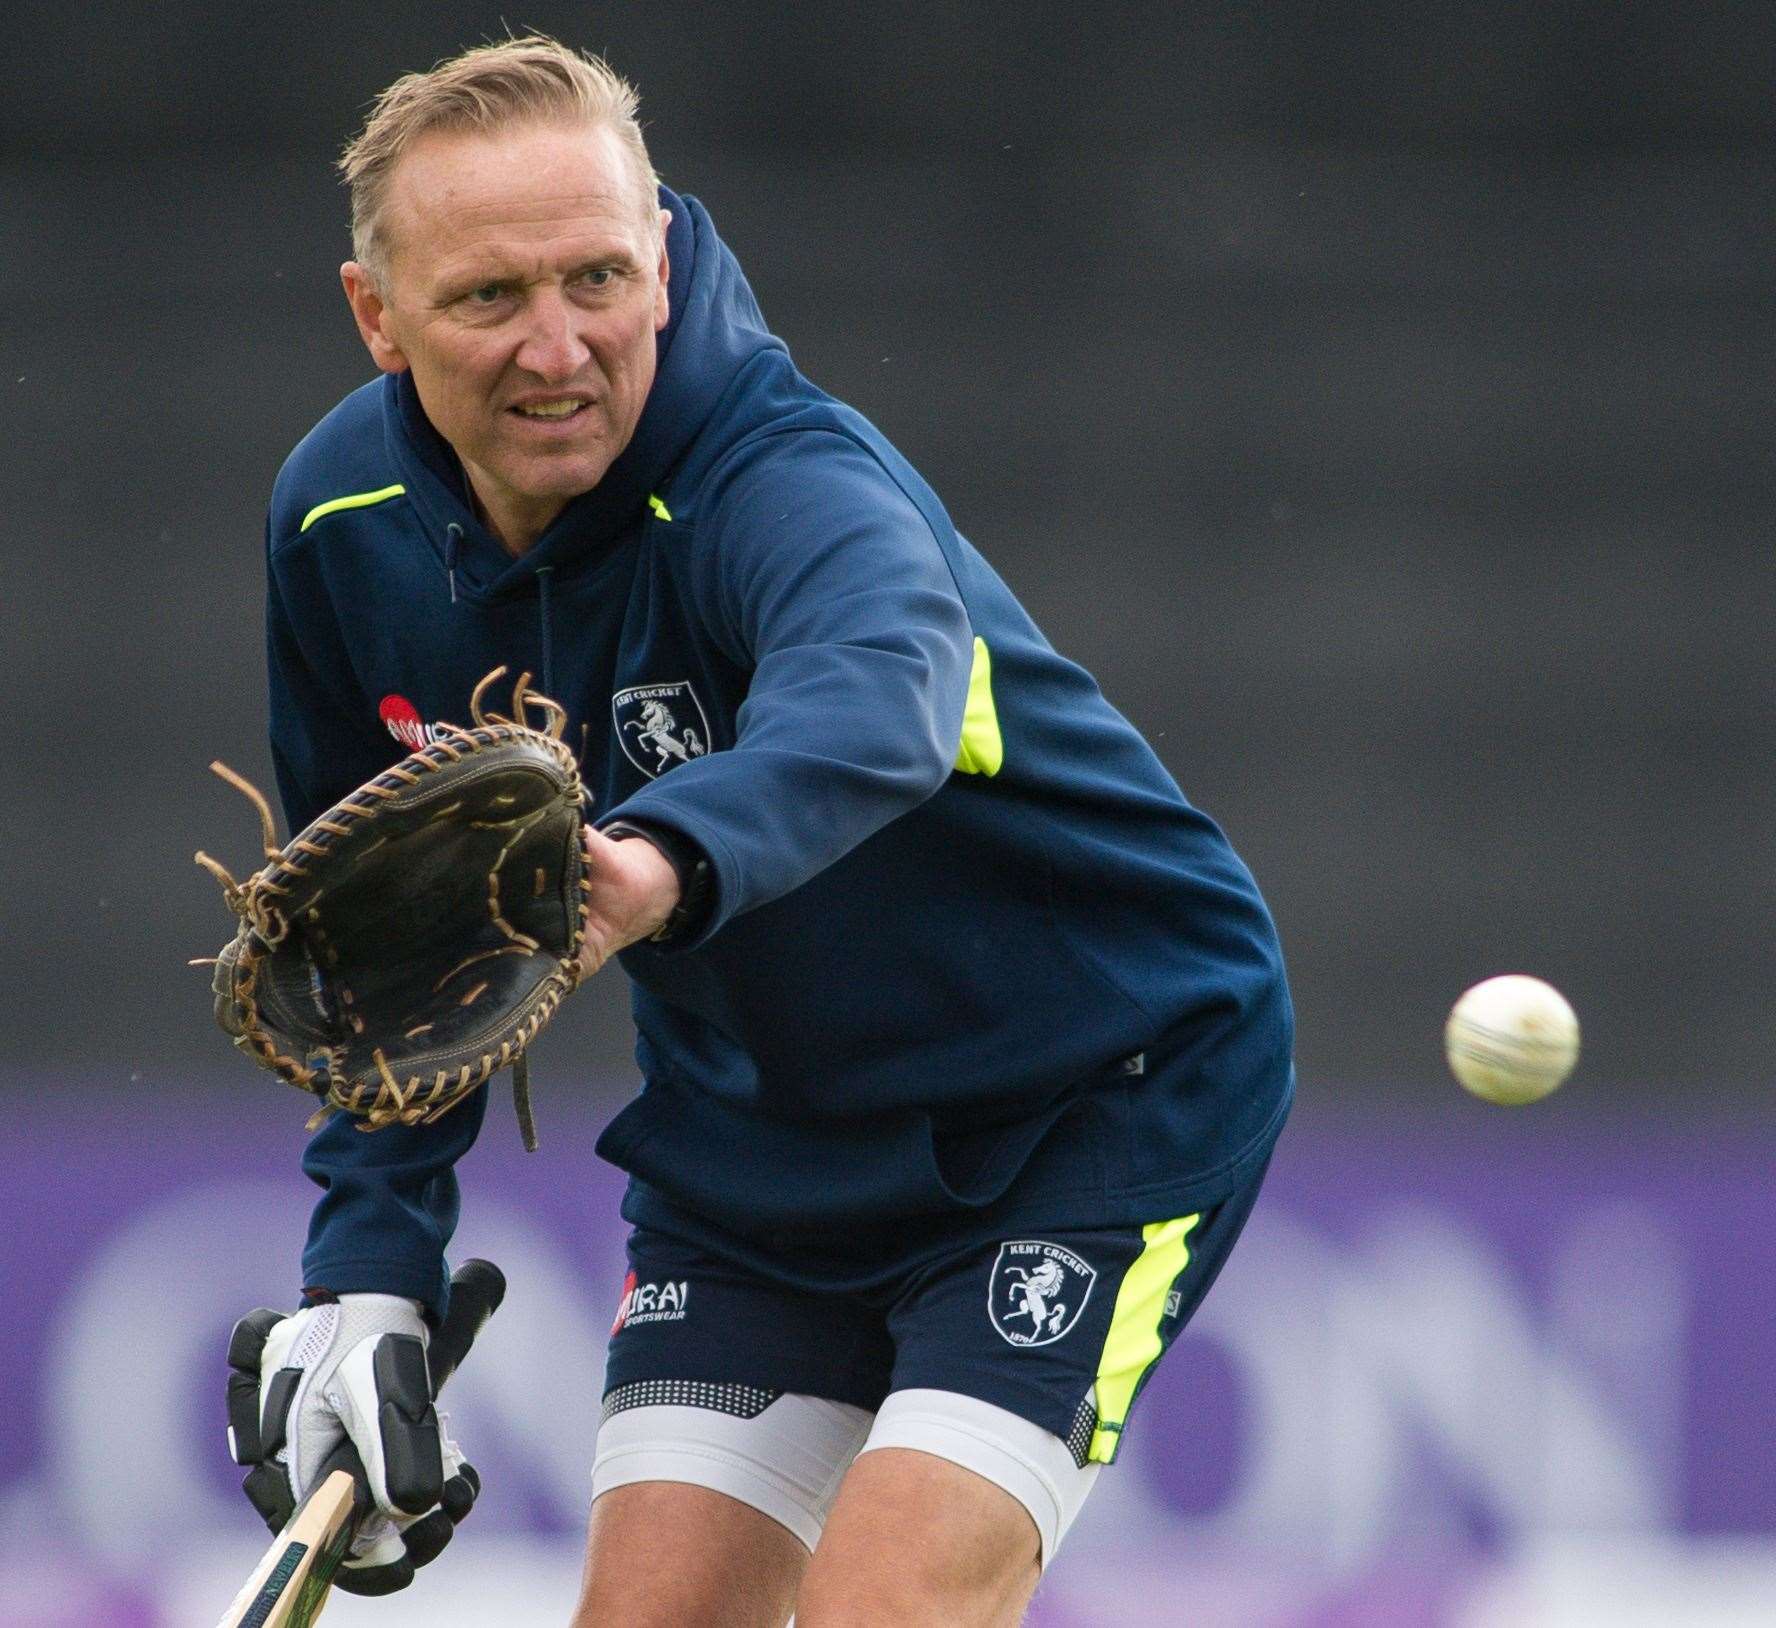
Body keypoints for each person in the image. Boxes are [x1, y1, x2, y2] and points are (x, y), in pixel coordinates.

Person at [230, 34, 1294, 1628]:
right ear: (376, 318)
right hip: (764, 1158)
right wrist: (367, 1269)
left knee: (888, 1611)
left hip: (1089, 1098)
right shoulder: (337, 526)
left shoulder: (780, 474)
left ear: (660, 258)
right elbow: (382, 959)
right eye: (487, 300)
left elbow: (881, 700)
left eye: (597, 276)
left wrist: (652, 863)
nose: (558, 348)